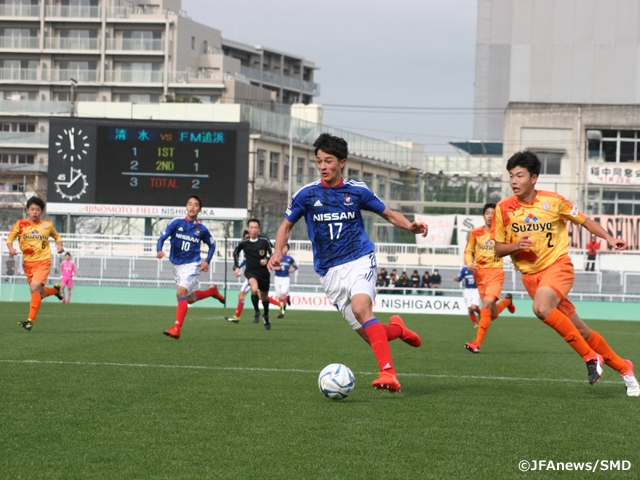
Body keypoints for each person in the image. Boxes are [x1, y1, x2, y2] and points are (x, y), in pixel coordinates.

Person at [268, 133, 428, 393]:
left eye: (328, 161)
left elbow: (388, 214)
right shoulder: (306, 194)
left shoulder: (357, 190)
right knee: (369, 332)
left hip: (359, 259)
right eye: (319, 161)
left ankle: (388, 374)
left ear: (341, 162)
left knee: (361, 308)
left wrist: (410, 226)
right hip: (329, 272)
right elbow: (286, 226)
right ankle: (398, 330)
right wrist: (277, 250)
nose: (322, 166)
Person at [493, 151, 638, 395]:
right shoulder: (503, 208)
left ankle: (591, 358)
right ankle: (626, 369)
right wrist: (516, 245)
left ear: (534, 178)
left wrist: (609, 238)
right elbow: (497, 249)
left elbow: (586, 221)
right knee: (581, 331)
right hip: (531, 277)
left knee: (540, 308)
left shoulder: (555, 201)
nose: (514, 181)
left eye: (520, 175)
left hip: (558, 267)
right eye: (511, 176)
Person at [157, 195, 226, 340]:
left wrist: (206, 261)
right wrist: (159, 250)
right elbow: (161, 238)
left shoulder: (202, 229)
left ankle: (177, 329)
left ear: (199, 209)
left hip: (192, 264)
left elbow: (212, 245)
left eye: (195, 205)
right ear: (186, 206)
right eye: (189, 204)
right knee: (190, 298)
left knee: (180, 293)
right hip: (176, 265)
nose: (192, 207)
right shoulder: (176, 222)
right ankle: (212, 292)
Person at [463, 203, 516, 352]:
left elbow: (512, 249)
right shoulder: (475, 233)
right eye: (487, 212)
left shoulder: (502, 233)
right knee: (491, 314)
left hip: (496, 273)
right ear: (483, 215)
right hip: (480, 275)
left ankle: (477, 344)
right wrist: (469, 263)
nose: (490, 215)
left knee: (486, 304)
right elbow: (468, 251)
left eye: (493, 213)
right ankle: (507, 301)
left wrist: (517, 263)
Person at [6, 196, 64, 330]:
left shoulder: (47, 225)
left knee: (34, 286)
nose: (34, 212)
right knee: (40, 293)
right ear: (27, 210)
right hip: (28, 263)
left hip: (43, 262)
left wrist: (59, 246)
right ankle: (55, 290)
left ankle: (30, 321)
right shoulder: (20, 224)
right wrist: (11, 248)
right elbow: (10, 239)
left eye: (37, 210)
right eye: (32, 209)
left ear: (42, 212)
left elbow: (57, 236)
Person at [233, 218, 274, 330]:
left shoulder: (264, 240)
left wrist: (266, 259)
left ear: (259, 229)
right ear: (248, 229)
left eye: (256, 228)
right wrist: (236, 266)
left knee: (264, 298)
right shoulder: (244, 242)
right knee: (254, 289)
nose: (254, 230)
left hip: (264, 272)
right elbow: (235, 252)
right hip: (251, 271)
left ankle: (265, 315)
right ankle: (257, 312)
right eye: (251, 228)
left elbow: (273, 252)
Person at [225, 230, 250, 323]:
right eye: (246, 238)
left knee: (242, 295)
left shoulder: (253, 246)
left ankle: (237, 317)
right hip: (252, 274)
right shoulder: (245, 247)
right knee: (242, 295)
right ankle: (237, 316)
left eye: (249, 237)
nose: (247, 239)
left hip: (254, 274)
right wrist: (238, 267)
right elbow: (245, 260)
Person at [270, 243, 298, 318]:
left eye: (286, 247)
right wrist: (276, 268)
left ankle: (282, 312)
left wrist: (293, 269)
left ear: (287, 249)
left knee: (282, 295)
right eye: (283, 247)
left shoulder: (290, 258)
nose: (284, 249)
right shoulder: (276, 257)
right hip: (277, 278)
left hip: (285, 278)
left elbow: (296, 266)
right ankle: (287, 298)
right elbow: (271, 266)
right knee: (279, 298)